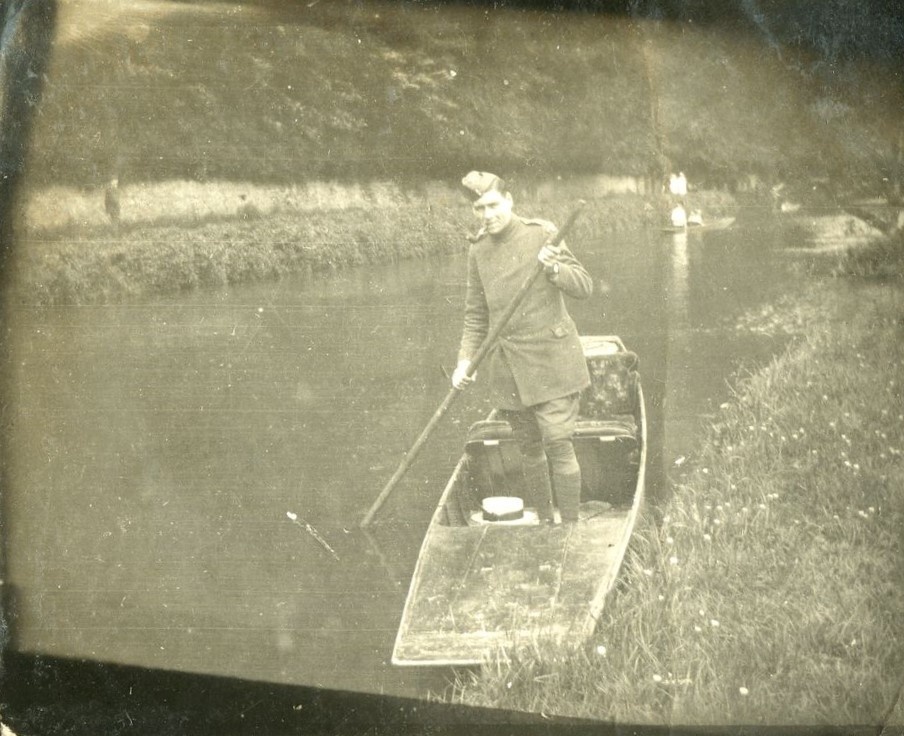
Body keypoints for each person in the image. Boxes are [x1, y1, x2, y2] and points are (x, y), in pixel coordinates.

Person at [451, 171, 593, 523]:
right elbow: (476, 315)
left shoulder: (542, 234)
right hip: (509, 367)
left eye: (493, 205)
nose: (488, 215)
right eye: (480, 208)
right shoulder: (478, 250)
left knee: (558, 442)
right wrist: (464, 361)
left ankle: (569, 527)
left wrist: (554, 268)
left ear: (510, 200)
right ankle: (544, 522)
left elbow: (584, 286)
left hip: (553, 360)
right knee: (529, 448)